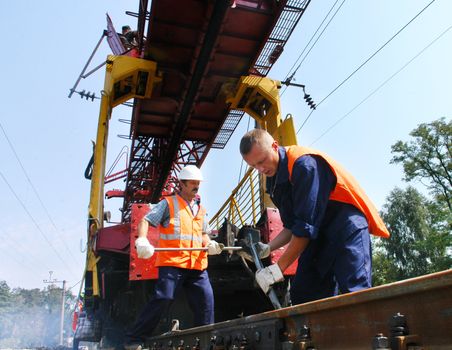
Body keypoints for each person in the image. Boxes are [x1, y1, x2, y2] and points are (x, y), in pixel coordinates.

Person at [238, 129, 389, 305]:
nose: (261, 169)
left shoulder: (304, 164)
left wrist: (278, 269)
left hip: (344, 227)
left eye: (262, 161)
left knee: (355, 291)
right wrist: (269, 247)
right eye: (254, 166)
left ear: (274, 146)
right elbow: (291, 226)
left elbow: (304, 228)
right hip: (319, 235)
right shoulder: (274, 182)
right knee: (305, 293)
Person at [125, 165, 222, 349]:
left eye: (198, 183)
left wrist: (209, 243)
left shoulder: (201, 210)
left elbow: (203, 233)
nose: (196, 186)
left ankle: (207, 342)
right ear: (182, 184)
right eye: (192, 182)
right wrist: (142, 240)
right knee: (164, 298)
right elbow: (146, 220)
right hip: (173, 263)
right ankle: (134, 339)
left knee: (206, 301)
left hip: (197, 266)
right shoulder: (168, 204)